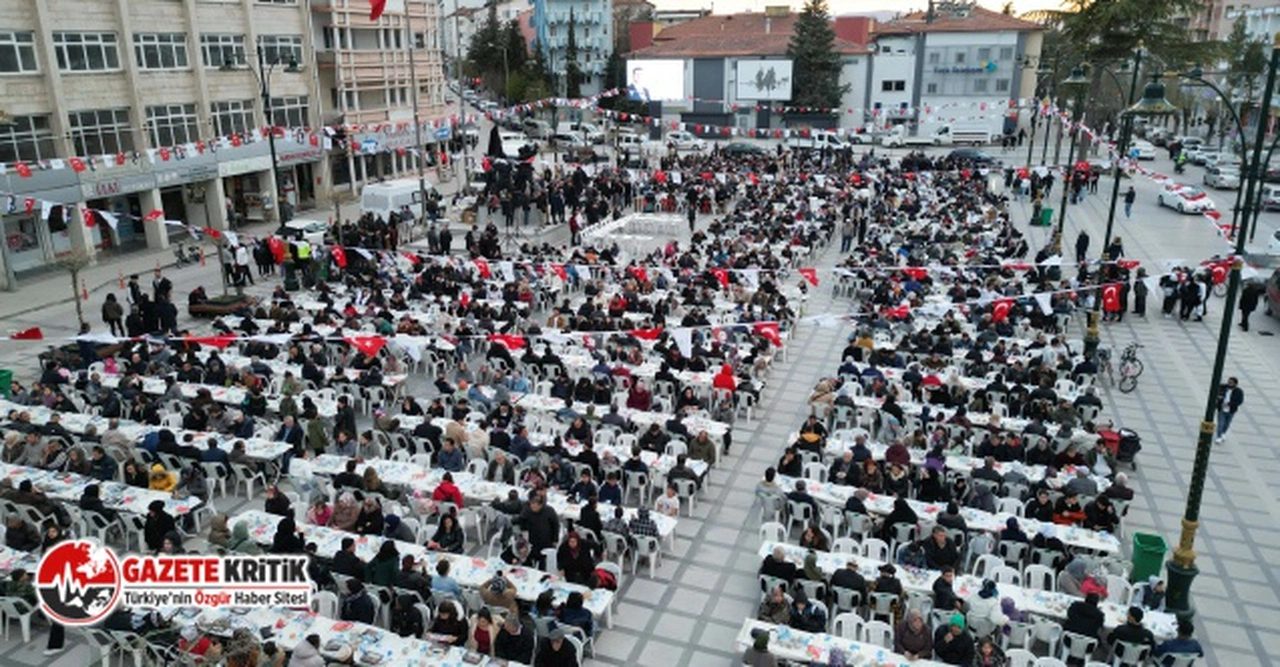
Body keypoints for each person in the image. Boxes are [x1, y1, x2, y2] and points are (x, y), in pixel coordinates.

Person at [1216, 376, 1243, 443]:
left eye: (1231, 383)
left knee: (1227, 423)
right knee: (1220, 423)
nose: (1229, 383)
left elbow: (1239, 401)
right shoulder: (1223, 387)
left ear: (1235, 384)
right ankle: (1219, 436)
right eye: (1229, 382)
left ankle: (1223, 433)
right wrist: (1219, 398)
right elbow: (1216, 392)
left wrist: (1229, 404)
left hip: (1231, 410)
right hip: (1222, 409)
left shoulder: (1238, 391)